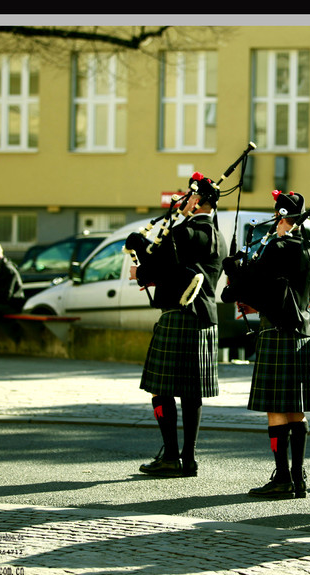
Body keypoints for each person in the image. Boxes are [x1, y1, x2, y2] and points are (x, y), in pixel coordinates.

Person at [221, 190, 310, 499]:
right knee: (296, 410)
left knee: (276, 410)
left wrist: (233, 270)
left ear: (281, 217)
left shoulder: (276, 248)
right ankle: (298, 476)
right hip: (302, 331)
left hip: (276, 333)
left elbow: (240, 288)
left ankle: (281, 477)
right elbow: (301, 293)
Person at [127, 172, 227, 478]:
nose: (185, 200)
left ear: (197, 200)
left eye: (189, 196)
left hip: (178, 315)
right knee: (191, 392)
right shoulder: (219, 238)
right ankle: (189, 457)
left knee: (160, 389)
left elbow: (158, 265)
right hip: (206, 319)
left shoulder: (184, 233)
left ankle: (170, 455)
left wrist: (139, 247)